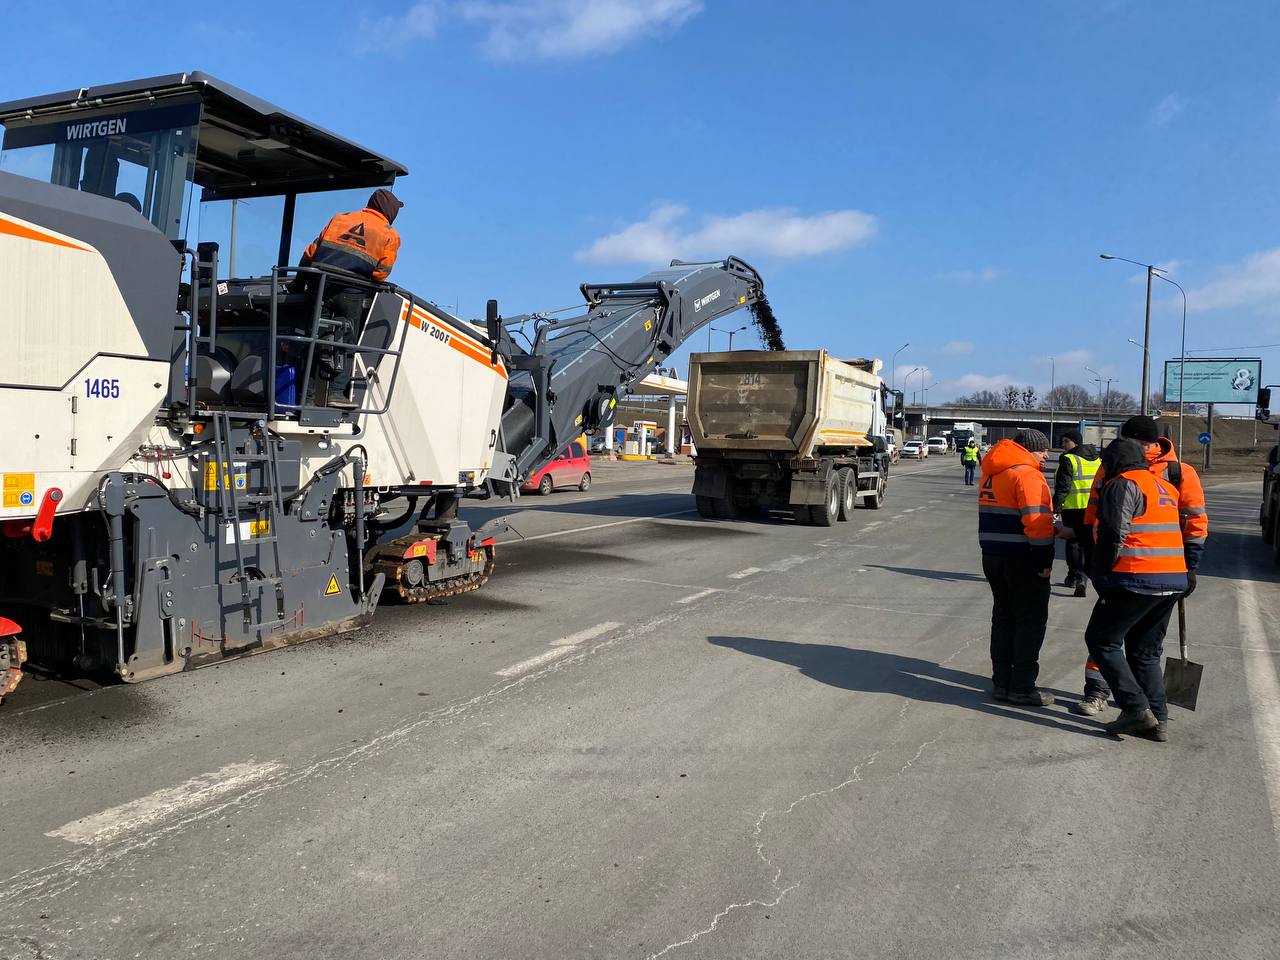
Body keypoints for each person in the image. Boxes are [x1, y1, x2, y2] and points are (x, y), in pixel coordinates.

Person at [1071, 415, 1208, 718]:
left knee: (1111, 639)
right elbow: (1094, 514)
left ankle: (1138, 706)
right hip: (1152, 572)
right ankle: (1105, 694)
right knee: (1121, 640)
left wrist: (1191, 565)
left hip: (1136, 570)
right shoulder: (1112, 468)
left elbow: (1195, 521)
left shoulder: (1177, 473)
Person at [1082, 435, 1189, 740]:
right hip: (1172, 579)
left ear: (1114, 461)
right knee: (1144, 652)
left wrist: (1100, 569)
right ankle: (1159, 721)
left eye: (1106, 462)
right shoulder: (1164, 486)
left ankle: (1135, 709)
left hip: (1137, 577)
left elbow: (1115, 530)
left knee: (1102, 640)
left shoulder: (1123, 484)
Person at [978, 428, 1056, 705]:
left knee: (1003, 619)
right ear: (1027, 449)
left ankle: (1001, 683)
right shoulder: (1027, 475)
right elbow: (1037, 523)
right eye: (1042, 449)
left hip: (993, 557)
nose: (1047, 454)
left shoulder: (991, 473)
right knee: (1030, 622)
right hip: (1022, 559)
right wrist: (1044, 561)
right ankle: (1022, 687)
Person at [300, 188, 403, 282]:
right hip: (352, 295)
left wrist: (297, 285)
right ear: (391, 210)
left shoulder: (339, 218)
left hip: (317, 286)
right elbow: (380, 274)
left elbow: (310, 254)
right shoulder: (391, 235)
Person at [1052, 429, 1100, 597]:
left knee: (1073, 543)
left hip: (1073, 508)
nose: (1063, 445)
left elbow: (1063, 487)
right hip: (1093, 508)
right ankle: (1085, 577)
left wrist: (1056, 508)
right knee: (1089, 543)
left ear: (1075, 442)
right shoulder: (1097, 459)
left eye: (1066, 441)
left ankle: (1074, 577)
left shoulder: (1069, 459)